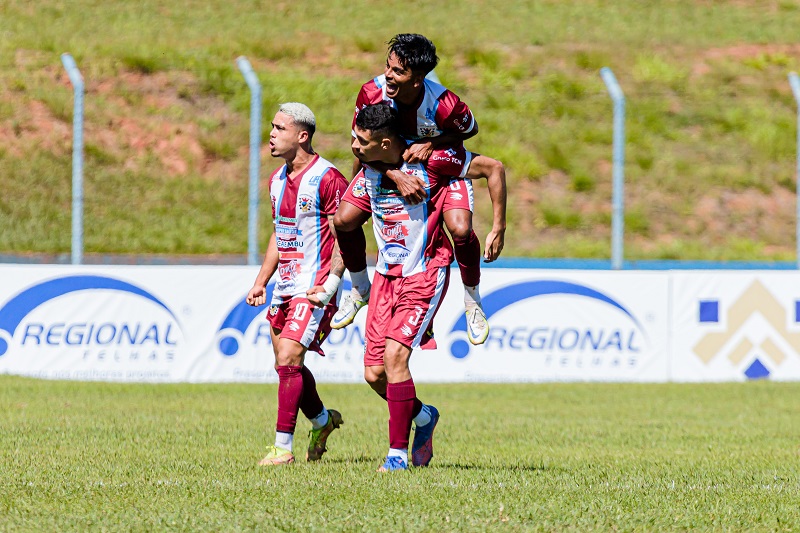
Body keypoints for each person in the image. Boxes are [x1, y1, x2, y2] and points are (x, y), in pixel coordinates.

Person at [336, 103, 506, 472]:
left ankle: (396, 455)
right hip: (385, 276)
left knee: (396, 358)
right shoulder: (371, 169)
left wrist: (497, 226)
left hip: (425, 272)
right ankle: (423, 416)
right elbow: (346, 220)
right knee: (374, 374)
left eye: (360, 141)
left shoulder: (433, 164)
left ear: (384, 143)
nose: (352, 145)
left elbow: (492, 167)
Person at [333, 33, 505, 346]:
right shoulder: (371, 93)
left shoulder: (444, 104)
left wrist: (432, 143)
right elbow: (361, 145)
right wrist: (395, 174)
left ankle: (472, 299)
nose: (388, 75)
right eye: (388, 67)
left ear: (418, 79)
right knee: (344, 220)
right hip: (388, 166)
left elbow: (469, 131)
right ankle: (359, 287)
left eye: (398, 71)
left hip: (439, 166)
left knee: (461, 229)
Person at [245, 103, 348, 466]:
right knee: (287, 365)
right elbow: (280, 232)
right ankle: (322, 421)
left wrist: (332, 283)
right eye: (271, 127)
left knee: (289, 357)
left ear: (302, 136)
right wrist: (262, 282)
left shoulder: (328, 177)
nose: (271, 134)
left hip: (315, 286)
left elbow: (346, 233)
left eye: (279, 128)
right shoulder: (276, 179)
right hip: (284, 286)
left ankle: (281, 449)